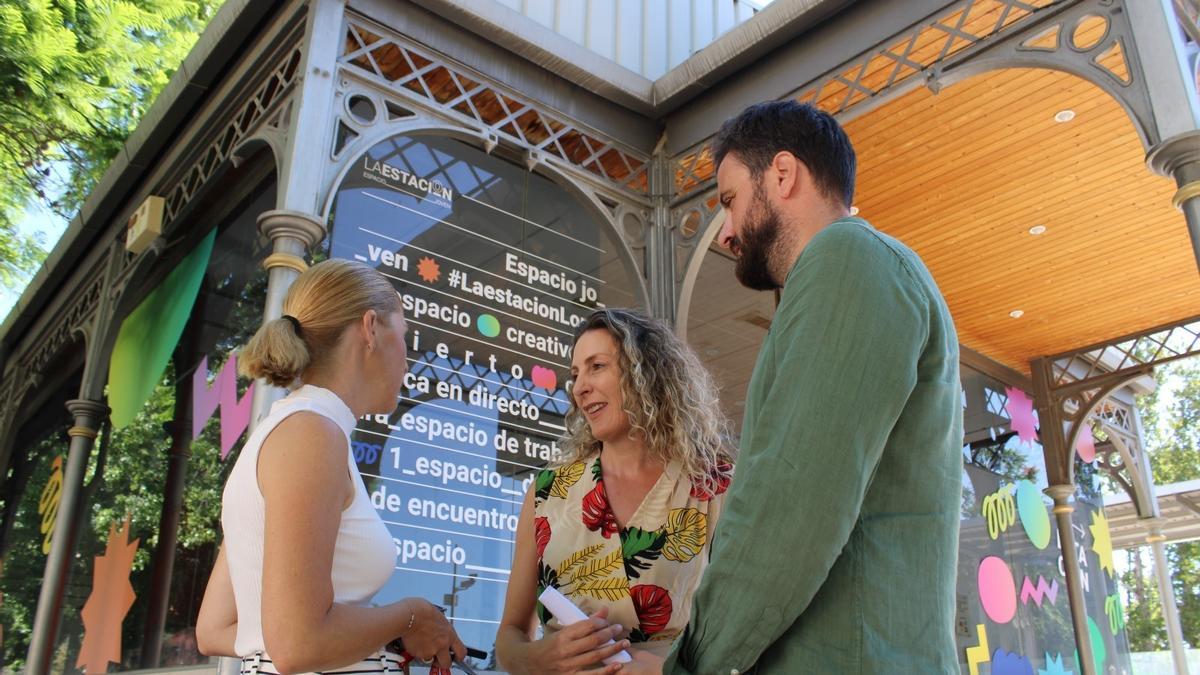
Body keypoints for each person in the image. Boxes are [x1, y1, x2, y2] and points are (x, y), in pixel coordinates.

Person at [635, 101, 963, 674]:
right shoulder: (856, 269)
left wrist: (686, 668)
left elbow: (787, 507)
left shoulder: (847, 258)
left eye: (731, 201)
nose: (728, 232)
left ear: (783, 175)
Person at [196, 259, 466, 674]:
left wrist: (372, 635)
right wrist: (412, 615)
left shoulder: (292, 430)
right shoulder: (312, 435)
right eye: (406, 335)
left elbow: (217, 628)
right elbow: (298, 644)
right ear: (371, 328)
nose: (409, 359)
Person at [495, 309, 736, 675]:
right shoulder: (547, 492)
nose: (579, 387)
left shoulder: (714, 486)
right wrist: (537, 657)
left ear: (647, 373)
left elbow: (748, 630)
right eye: (575, 374)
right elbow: (510, 638)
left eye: (597, 366)